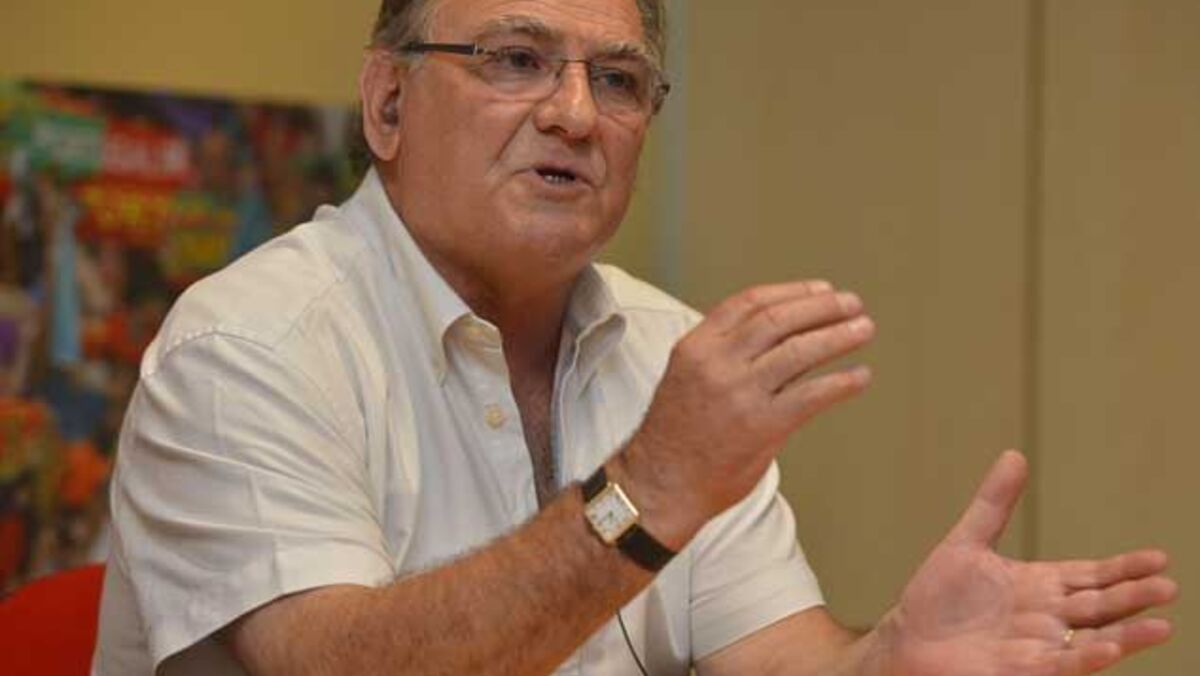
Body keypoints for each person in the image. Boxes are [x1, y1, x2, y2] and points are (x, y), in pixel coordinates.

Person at [92, 1, 1178, 674]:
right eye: (515, 59)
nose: (575, 114)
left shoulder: (671, 352)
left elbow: (772, 655)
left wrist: (890, 658)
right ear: (387, 104)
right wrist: (647, 488)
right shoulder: (248, 346)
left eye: (616, 80)